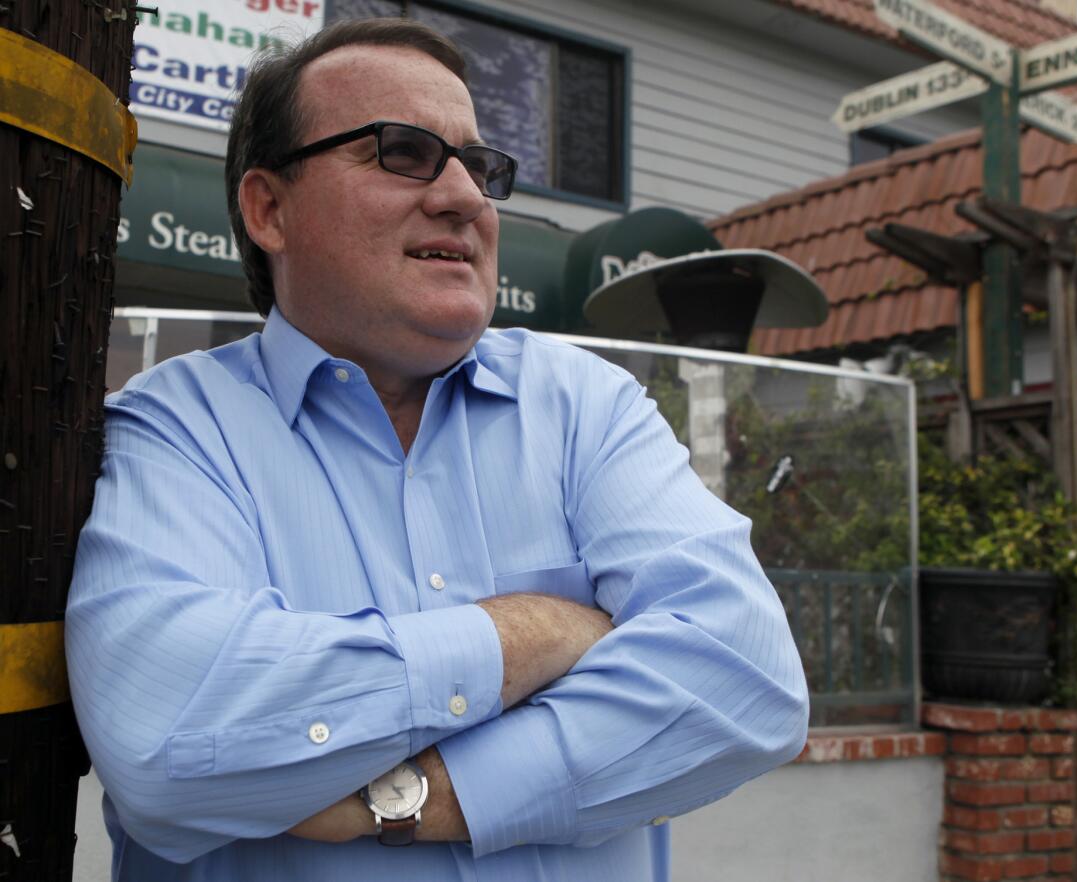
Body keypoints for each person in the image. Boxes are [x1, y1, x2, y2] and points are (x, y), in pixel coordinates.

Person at [65, 17, 808, 881]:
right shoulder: (178, 426)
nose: (465, 196)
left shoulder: (584, 405)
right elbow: (174, 743)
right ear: (269, 208)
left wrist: (410, 797)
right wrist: (539, 631)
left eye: (479, 166)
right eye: (402, 151)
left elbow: (748, 681)